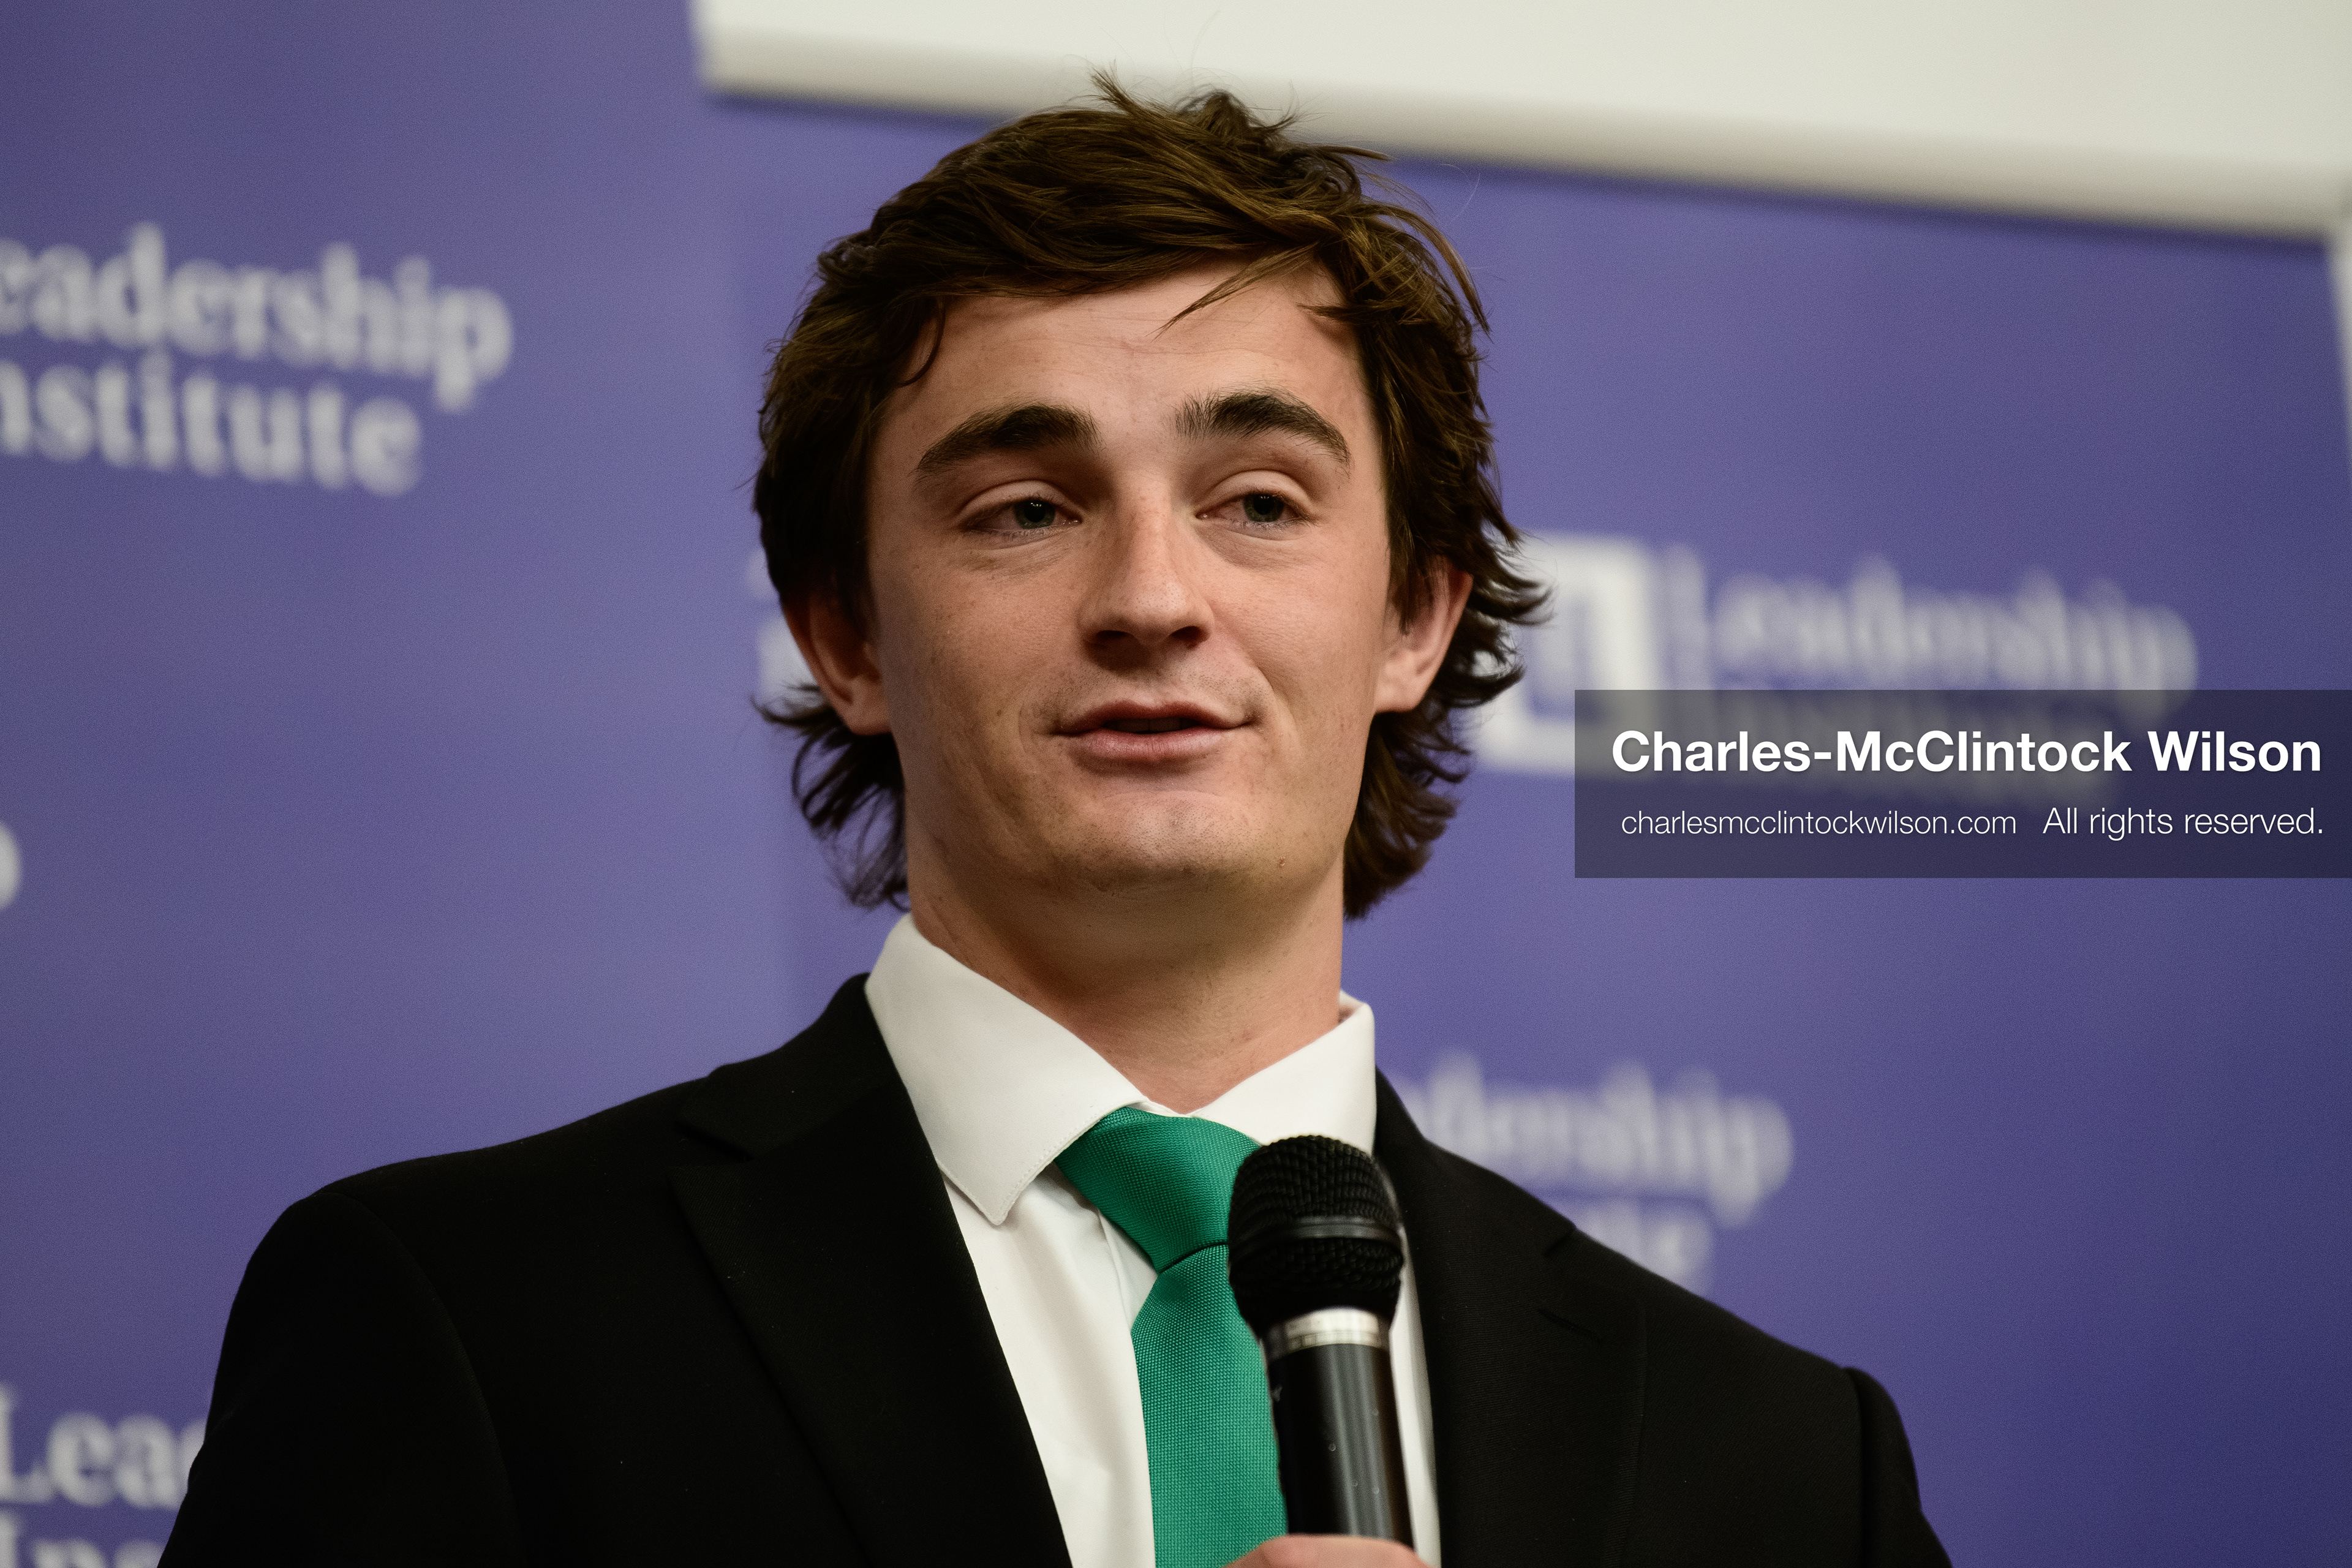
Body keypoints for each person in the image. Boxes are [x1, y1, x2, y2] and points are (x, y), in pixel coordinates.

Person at [163, 83, 1948, 1567]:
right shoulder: (471, 1320)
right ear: (845, 634)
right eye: (1025, 511)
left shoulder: (1780, 1465)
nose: (1152, 597)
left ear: (1415, 615)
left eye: (1258, 500)